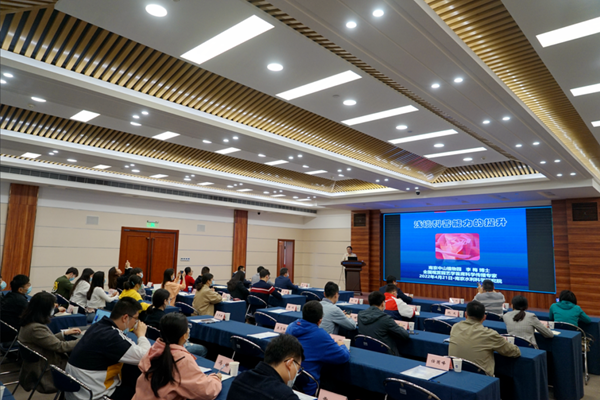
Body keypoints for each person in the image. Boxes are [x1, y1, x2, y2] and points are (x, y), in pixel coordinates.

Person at [66, 298, 151, 400]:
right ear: (125, 318)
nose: (136, 322)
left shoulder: (97, 326)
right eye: (135, 319)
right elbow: (146, 356)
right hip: (94, 395)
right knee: (140, 387)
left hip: (74, 391)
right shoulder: (112, 337)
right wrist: (141, 335)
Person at [133, 313, 222, 400]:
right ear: (184, 336)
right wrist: (216, 378)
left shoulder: (153, 350)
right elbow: (206, 391)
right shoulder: (182, 359)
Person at [18, 292, 82, 393]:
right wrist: (83, 340)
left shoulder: (29, 322)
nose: (55, 307)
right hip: (46, 369)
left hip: (39, 364)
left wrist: (64, 333)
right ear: (44, 309)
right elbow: (60, 347)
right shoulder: (36, 328)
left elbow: (46, 340)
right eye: (53, 306)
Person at [286, 301, 350, 396]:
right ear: (320, 321)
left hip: (288, 380)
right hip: (307, 387)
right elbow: (343, 357)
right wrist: (342, 345)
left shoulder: (291, 326)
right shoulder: (321, 335)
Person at [449, 301, 520, 376]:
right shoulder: (489, 334)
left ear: (465, 314)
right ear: (484, 317)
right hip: (481, 377)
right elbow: (514, 352)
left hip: (457, 374)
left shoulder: (455, 327)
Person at [227, 334, 304, 400]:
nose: (297, 373)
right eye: (298, 369)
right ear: (290, 364)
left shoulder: (240, 379)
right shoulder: (286, 396)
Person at [145, 289, 208, 358]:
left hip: (155, 343)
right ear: (165, 301)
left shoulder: (148, 314)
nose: (170, 301)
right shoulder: (165, 319)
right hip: (171, 347)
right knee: (203, 349)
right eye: (169, 299)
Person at [357, 291, 410, 356]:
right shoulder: (385, 318)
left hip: (365, 351)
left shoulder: (360, 315)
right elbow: (405, 335)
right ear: (382, 303)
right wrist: (401, 327)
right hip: (385, 354)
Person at [0, 274, 31, 341]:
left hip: (5, 331)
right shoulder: (20, 300)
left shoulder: (10, 296)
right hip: (12, 334)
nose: (29, 287)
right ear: (20, 289)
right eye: (28, 285)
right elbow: (33, 314)